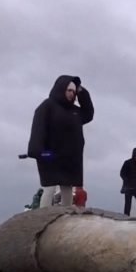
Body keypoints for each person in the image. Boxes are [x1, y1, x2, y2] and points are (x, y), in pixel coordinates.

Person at [28, 75, 94, 208]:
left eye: (74, 92)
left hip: (70, 158)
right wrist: (41, 153)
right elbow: (37, 131)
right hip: (50, 156)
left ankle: (66, 217)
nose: (72, 94)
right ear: (61, 88)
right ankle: (42, 218)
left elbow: (88, 113)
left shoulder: (75, 111)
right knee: (50, 187)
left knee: (67, 187)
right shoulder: (47, 106)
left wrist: (82, 92)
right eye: (69, 90)